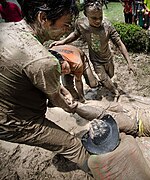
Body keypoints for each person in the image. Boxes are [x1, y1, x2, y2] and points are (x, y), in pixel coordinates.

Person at [0, 0, 97, 175]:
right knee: (73, 145)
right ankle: (101, 173)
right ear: (43, 17)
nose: (67, 30)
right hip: (14, 122)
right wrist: (72, 105)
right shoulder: (43, 61)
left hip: (9, 99)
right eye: (65, 24)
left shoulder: (6, 28)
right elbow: (60, 101)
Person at [50, 0, 136, 99]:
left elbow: (119, 44)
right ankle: (115, 92)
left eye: (100, 17)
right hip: (96, 60)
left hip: (108, 57)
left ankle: (106, 83)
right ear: (86, 15)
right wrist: (63, 41)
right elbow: (75, 34)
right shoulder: (81, 24)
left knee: (110, 75)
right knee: (104, 78)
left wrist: (129, 62)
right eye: (94, 18)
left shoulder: (107, 26)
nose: (98, 21)